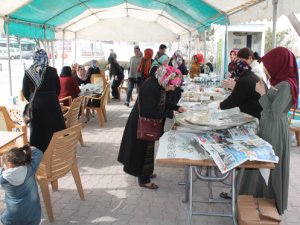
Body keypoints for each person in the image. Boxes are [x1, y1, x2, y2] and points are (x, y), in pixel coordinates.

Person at [239, 47, 299, 215]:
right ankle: (254, 200)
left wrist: (263, 93)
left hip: (274, 129)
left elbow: (273, 113)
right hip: (268, 126)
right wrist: (264, 91)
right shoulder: (280, 82)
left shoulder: (287, 85)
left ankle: (269, 203)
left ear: (278, 64)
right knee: (259, 163)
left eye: (268, 64)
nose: (265, 68)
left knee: (266, 164)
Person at [118, 66, 186, 190]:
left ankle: (146, 173)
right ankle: (144, 180)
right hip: (141, 123)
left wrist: (176, 107)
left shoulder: (157, 82)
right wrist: (169, 114)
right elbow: (147, 111)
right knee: (141, 152)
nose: (171, 88)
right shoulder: (151, 87)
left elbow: (162, 101)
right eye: (170, 85)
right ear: (165, 79)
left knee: (147, 151)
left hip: (147, 123)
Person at [22, 49, 66, 153]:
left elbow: (25, 91)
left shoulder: (28, 72)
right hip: (52, 103)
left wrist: (33, 99)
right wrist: (51, 96)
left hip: (36, 105)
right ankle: (56, 149)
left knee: (38, 129)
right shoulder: (52, 71)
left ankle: (39, 152)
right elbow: (58, 89)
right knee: (53, 126)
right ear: (46, 58)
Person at [0, 145, 43, 225]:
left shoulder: (3, 180)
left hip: (13, 220)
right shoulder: (30, 168)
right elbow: (39, 153)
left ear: (8, 164)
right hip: (34, 218)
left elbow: (2, 172)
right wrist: (31, 148)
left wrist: (2, 167)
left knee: (4, 218)